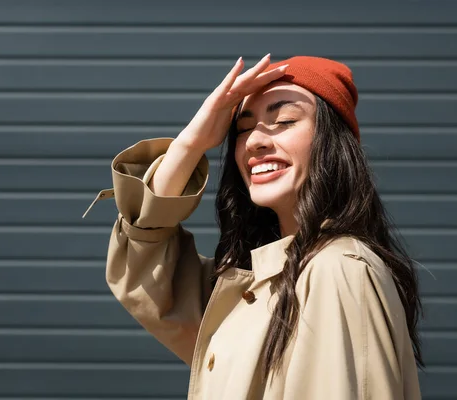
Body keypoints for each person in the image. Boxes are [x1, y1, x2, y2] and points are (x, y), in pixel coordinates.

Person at [86, 54, 423, 399]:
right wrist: (192, 142)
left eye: (285, 120)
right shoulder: (258, 287)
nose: (255, 140)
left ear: (332, 143)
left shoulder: (335, 270)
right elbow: (143, 267)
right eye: (244, 128)